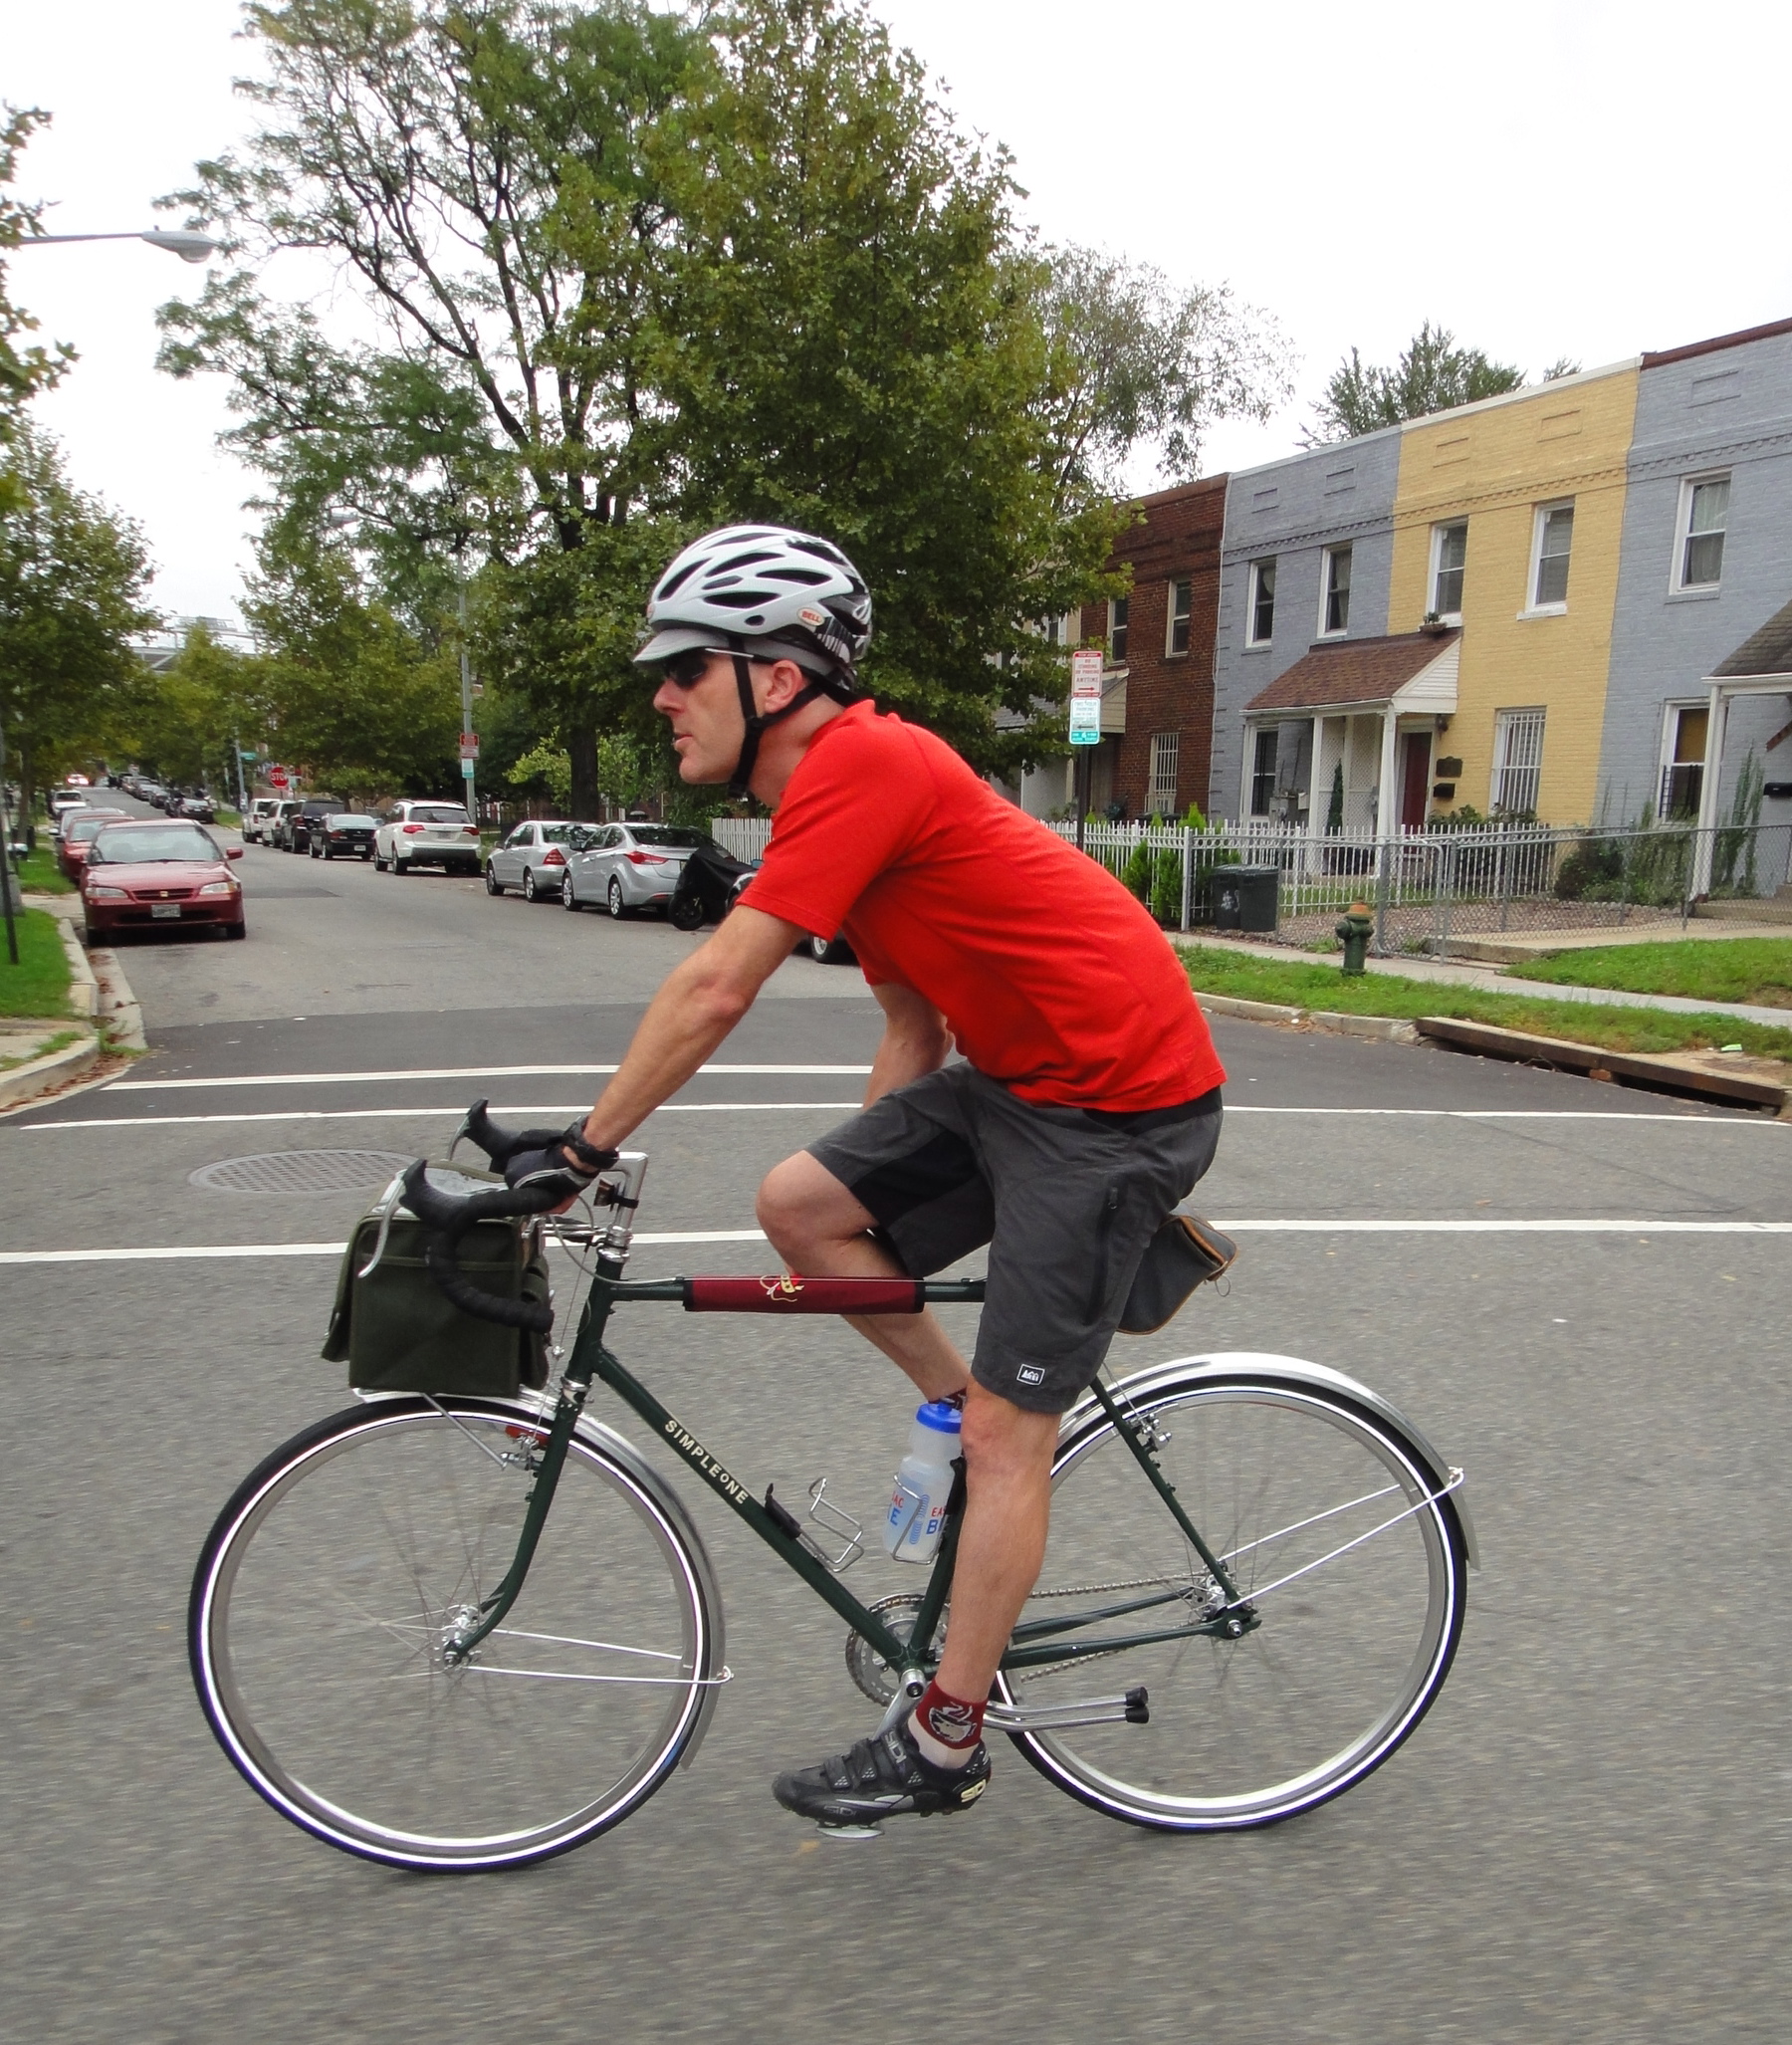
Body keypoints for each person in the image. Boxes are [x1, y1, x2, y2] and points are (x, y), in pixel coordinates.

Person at [512, 524, 1226, 1828]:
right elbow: (914, 1026)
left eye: (686, 667)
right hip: (1018, 1086)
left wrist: (580, 1150)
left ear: (777, 677)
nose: (662, 695)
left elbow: (717, 986)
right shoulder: (828, 800)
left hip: (1117, 1111)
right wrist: (862, 1184)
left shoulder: (867, 761)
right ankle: (966, 1416)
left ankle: (946, 1738)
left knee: (1011, 1436)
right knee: (797, 1204)